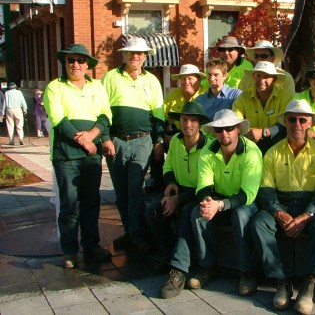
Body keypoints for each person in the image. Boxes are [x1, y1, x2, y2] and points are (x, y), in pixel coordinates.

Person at [250, 100, 315, 315]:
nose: (297, 124)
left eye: (302, 119)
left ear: (310, 123)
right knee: (259, 223)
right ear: (285, 122)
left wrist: (307, 214)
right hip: (281, 203)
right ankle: (280, 280)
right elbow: (265, 189)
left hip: (309, 205)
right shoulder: (272, 152)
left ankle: (309, 284)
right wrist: (278, 212)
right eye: (292, 119)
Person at [43, 44, 113, 268]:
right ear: (65, 63)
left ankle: (92, 246)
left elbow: (105, 116)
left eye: (80, 61)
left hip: (91, 156)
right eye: (71, 60)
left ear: (87, 65)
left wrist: (93, 135)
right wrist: (83, 140)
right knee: (69, 205)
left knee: (91, 203)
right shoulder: (54, 88)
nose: (76, 64)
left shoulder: (97, 87)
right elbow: (58, 120)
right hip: (66, 156)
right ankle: (70, 251)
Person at [101, 36, 166, 253]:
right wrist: (105, 138)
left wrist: (158, 141)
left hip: (142, 141)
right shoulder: (110, 77)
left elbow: (157, 113)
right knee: (121, 193)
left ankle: (138, 237)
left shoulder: (152, 81)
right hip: (116, 141)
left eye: (140, 53)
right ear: (125, 54)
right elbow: (102, 111)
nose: (135, 56)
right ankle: (130, 233)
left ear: (146, 56)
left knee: (135, 189)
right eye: (131, 53)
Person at [187, 109, 262, 296]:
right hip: (219, 198)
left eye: (229, 128)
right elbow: (203, 185)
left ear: (238, 129)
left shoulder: (251, 151)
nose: (224, 133)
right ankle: (207, 266)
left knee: (241, 215)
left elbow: (249, 194)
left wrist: (219, 205)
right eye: (219, 130)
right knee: (198, 212)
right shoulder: (208, 149)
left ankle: (247, 272)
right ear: (214, 132)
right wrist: (207, 202)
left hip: (245, 201)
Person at [143, 102, 212, 299]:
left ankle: (178, 271)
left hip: (200, 193)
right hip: (179, 190)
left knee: (188, 215)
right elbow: (168, 167)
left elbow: (206, 184)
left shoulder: (208, 145)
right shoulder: (175, 141)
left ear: (199, 123)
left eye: (192, 120)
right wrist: (170, 183)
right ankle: (168, 255)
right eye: (184, 119)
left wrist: (178, 199)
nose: (187, 124)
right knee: (152, 211)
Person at [232, 61, 293, 154]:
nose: (261, 81)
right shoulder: (243, 97)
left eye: (266, 76)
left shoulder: (285, 96)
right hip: (249, 145)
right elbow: (235, 119)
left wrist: (263, 132)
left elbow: (286, 124)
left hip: (277, 146)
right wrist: (248, 132)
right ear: (253, 77)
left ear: (274, 79)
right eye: (258, 76)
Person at [164, 64, 208, 132]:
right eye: (183, 79)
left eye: (190, 78)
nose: (186, 82)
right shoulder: (173, 95)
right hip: (178, 134)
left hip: (203, 135)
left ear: (198, 79)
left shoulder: (207, 96)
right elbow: (163, 116)